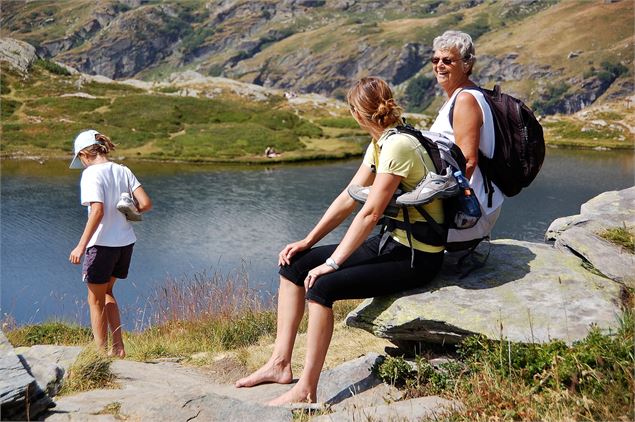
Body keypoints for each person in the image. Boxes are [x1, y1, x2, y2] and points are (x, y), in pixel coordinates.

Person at [235, 77, 445, 405]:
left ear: (356, 115)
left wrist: (331, 264)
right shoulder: (381, 143)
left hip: (416, 256)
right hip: (392, 243)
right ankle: (279, 364)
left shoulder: (398, 146)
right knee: (294, 265)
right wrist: (308, 241)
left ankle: (306, 389)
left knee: (321, 288)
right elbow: (349, 198)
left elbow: (370, 213)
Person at [68, 130, 152, 357]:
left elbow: (97, 211)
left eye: (81, 160)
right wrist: (127, 206)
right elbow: (145, 204)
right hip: (124, 244)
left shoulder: (91, 174)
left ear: (85, 154)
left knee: (94, 299)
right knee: (107, 292)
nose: (82, 164)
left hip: (101, 244)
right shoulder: (123, 170)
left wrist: (81, 246)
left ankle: (100, 355)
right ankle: (119, 348)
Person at [429, 30, 503, 248]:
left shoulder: (465, 100)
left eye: (448, 60)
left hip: (468, 212)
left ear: (467, 65)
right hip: (474, 205)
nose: (439, 65)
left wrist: (438, 204)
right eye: (436, 60)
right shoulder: (463, 95)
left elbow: (468, 161)